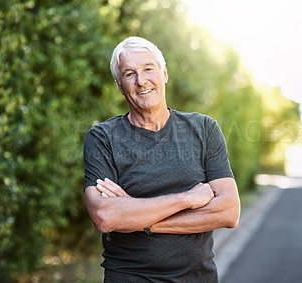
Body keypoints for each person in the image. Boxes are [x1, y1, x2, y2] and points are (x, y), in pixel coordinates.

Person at [83, 36, 240, 282]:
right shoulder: (103, 138)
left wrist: (141, 220)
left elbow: (228, 211)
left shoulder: (204, 129)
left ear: (164, 73)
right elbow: (105, 216)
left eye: (148, 69)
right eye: (129, 74)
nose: (141, 80)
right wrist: (188, 198)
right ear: (119, 85)